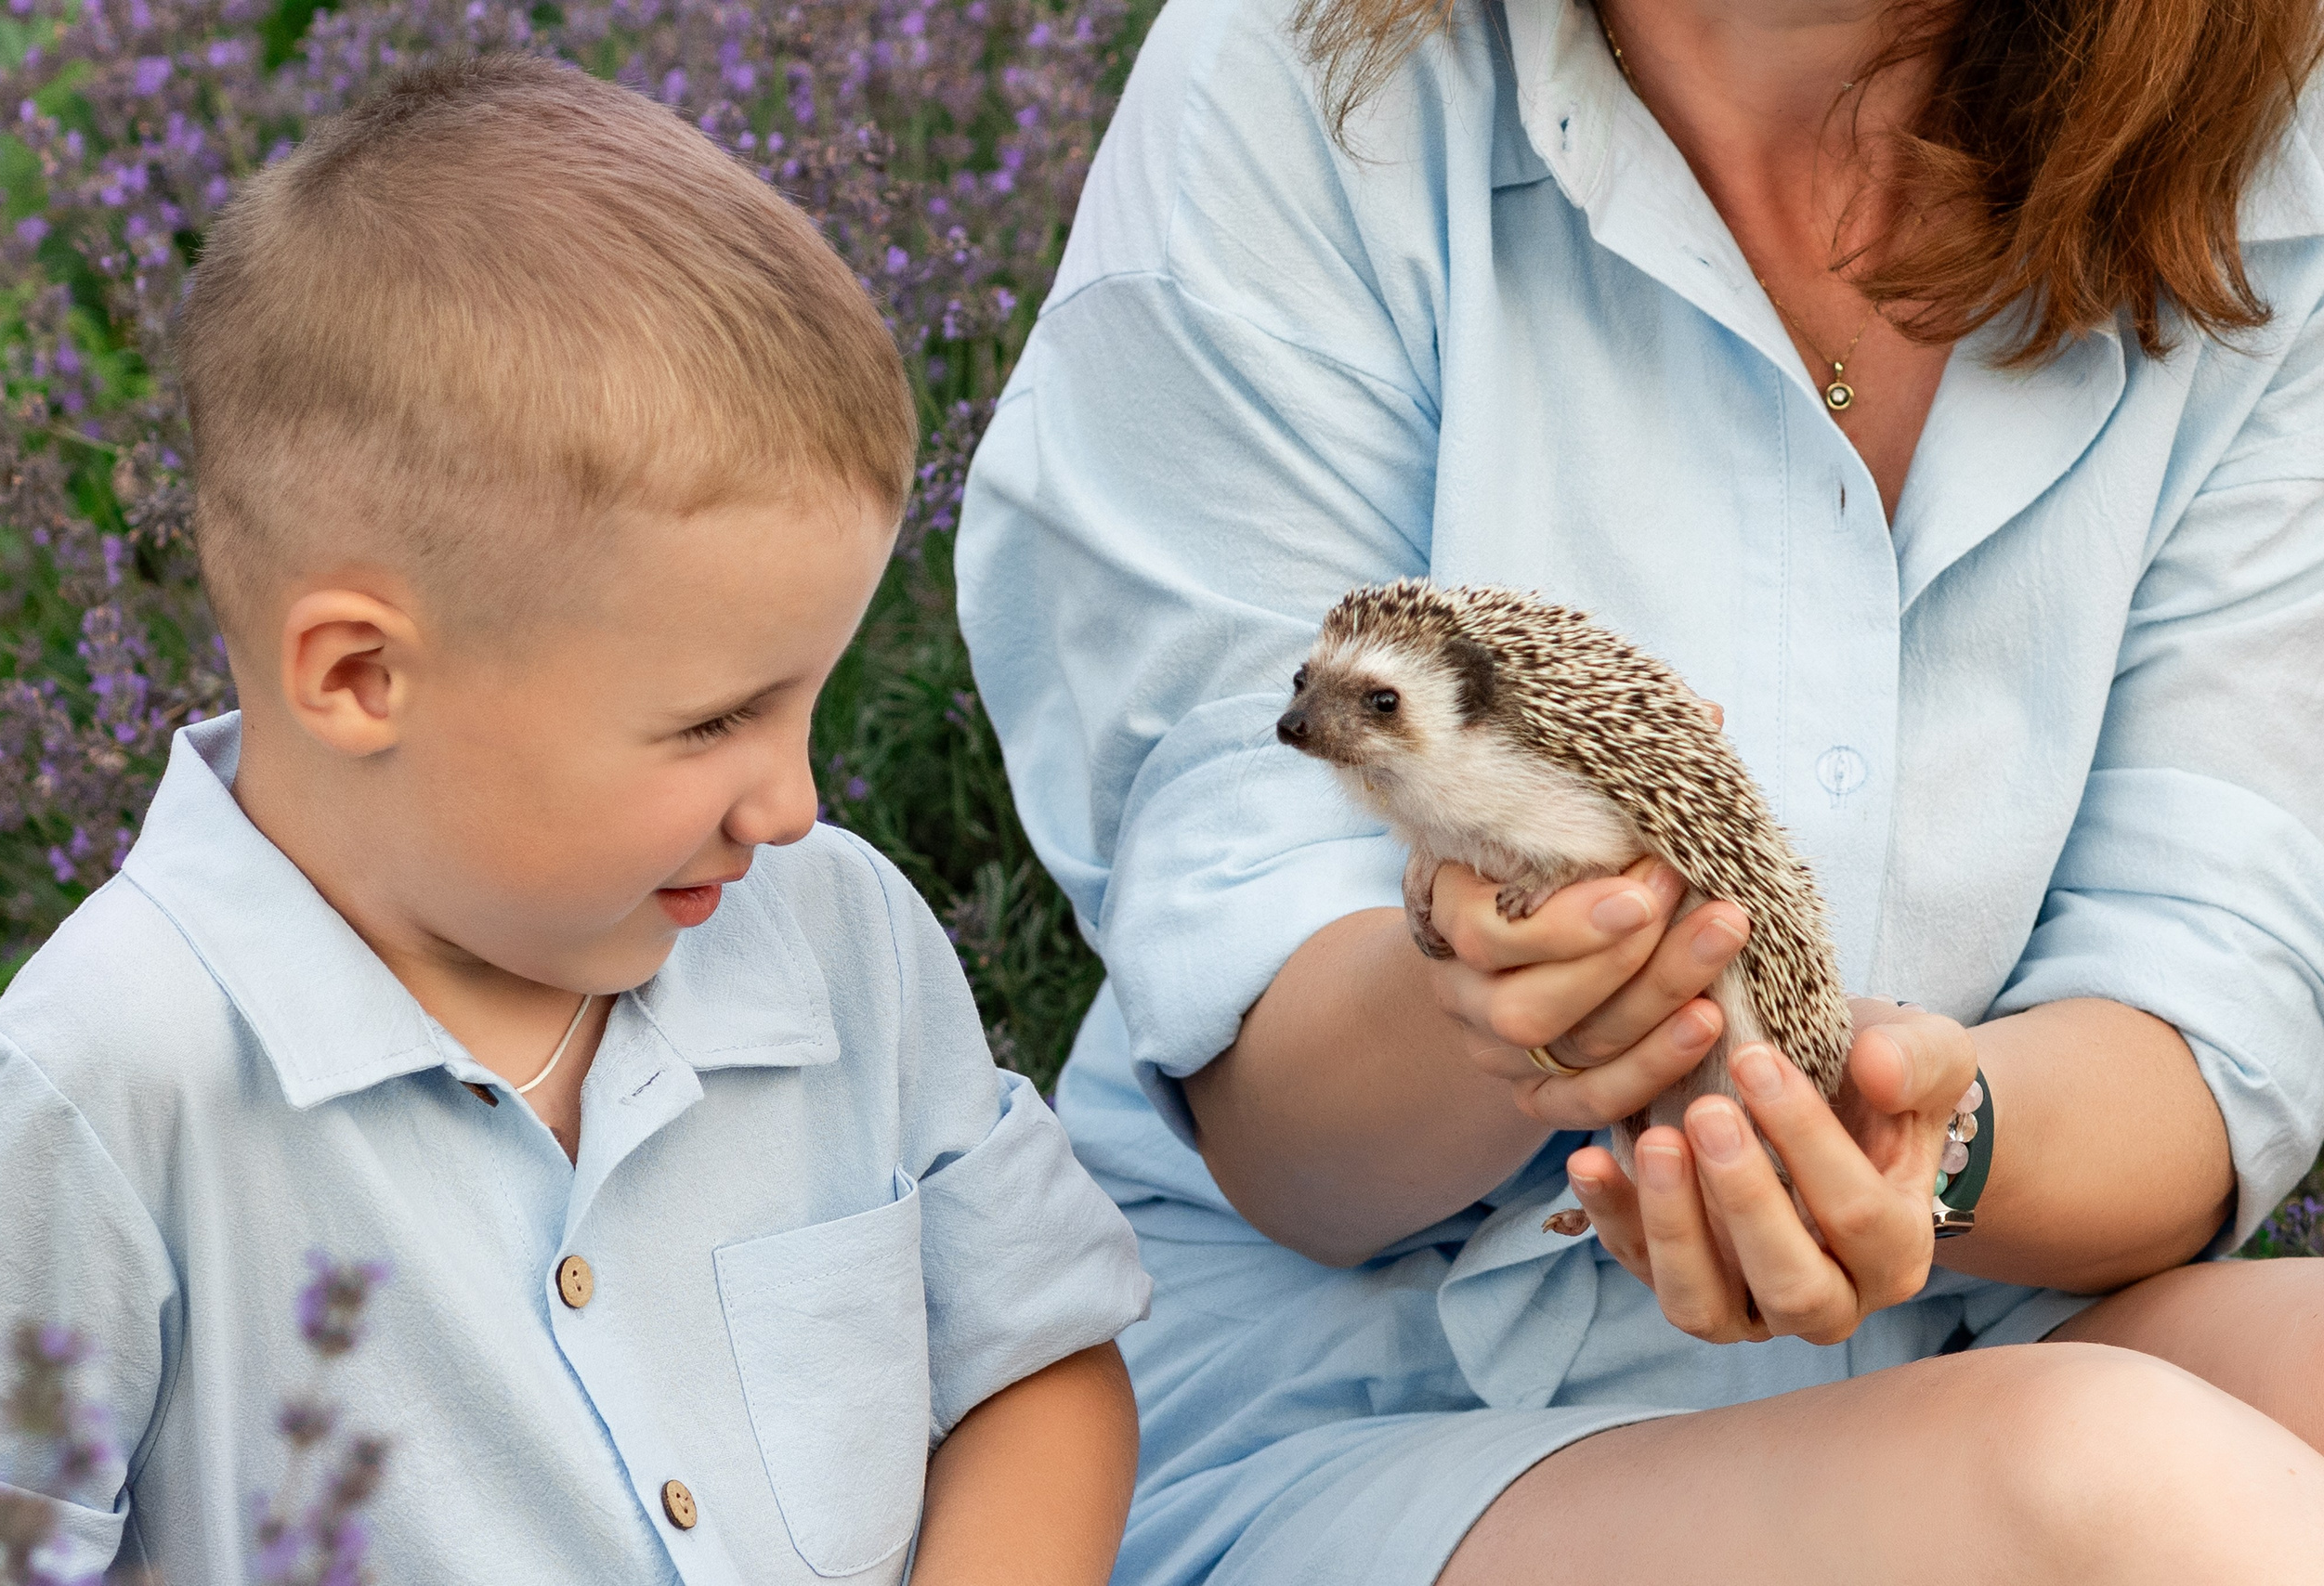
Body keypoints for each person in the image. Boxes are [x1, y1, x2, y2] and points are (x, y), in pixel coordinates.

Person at [957, 0, 2324, 1577]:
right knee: (2112, 1481)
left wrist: (1909, 1141)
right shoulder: (1307, 71)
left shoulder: (2262, 137)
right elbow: (1282, 1129)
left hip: (1975, 1312)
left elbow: (2205, 1005)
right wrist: (1512, 1007)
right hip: (1378, 1400)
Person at [0, 56, 1150, 1586]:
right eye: (714, 722)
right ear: (363, 676)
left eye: (809, 704)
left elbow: (1031, 1365)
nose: (793, 802)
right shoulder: (102, 1096)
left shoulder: (837, 937)